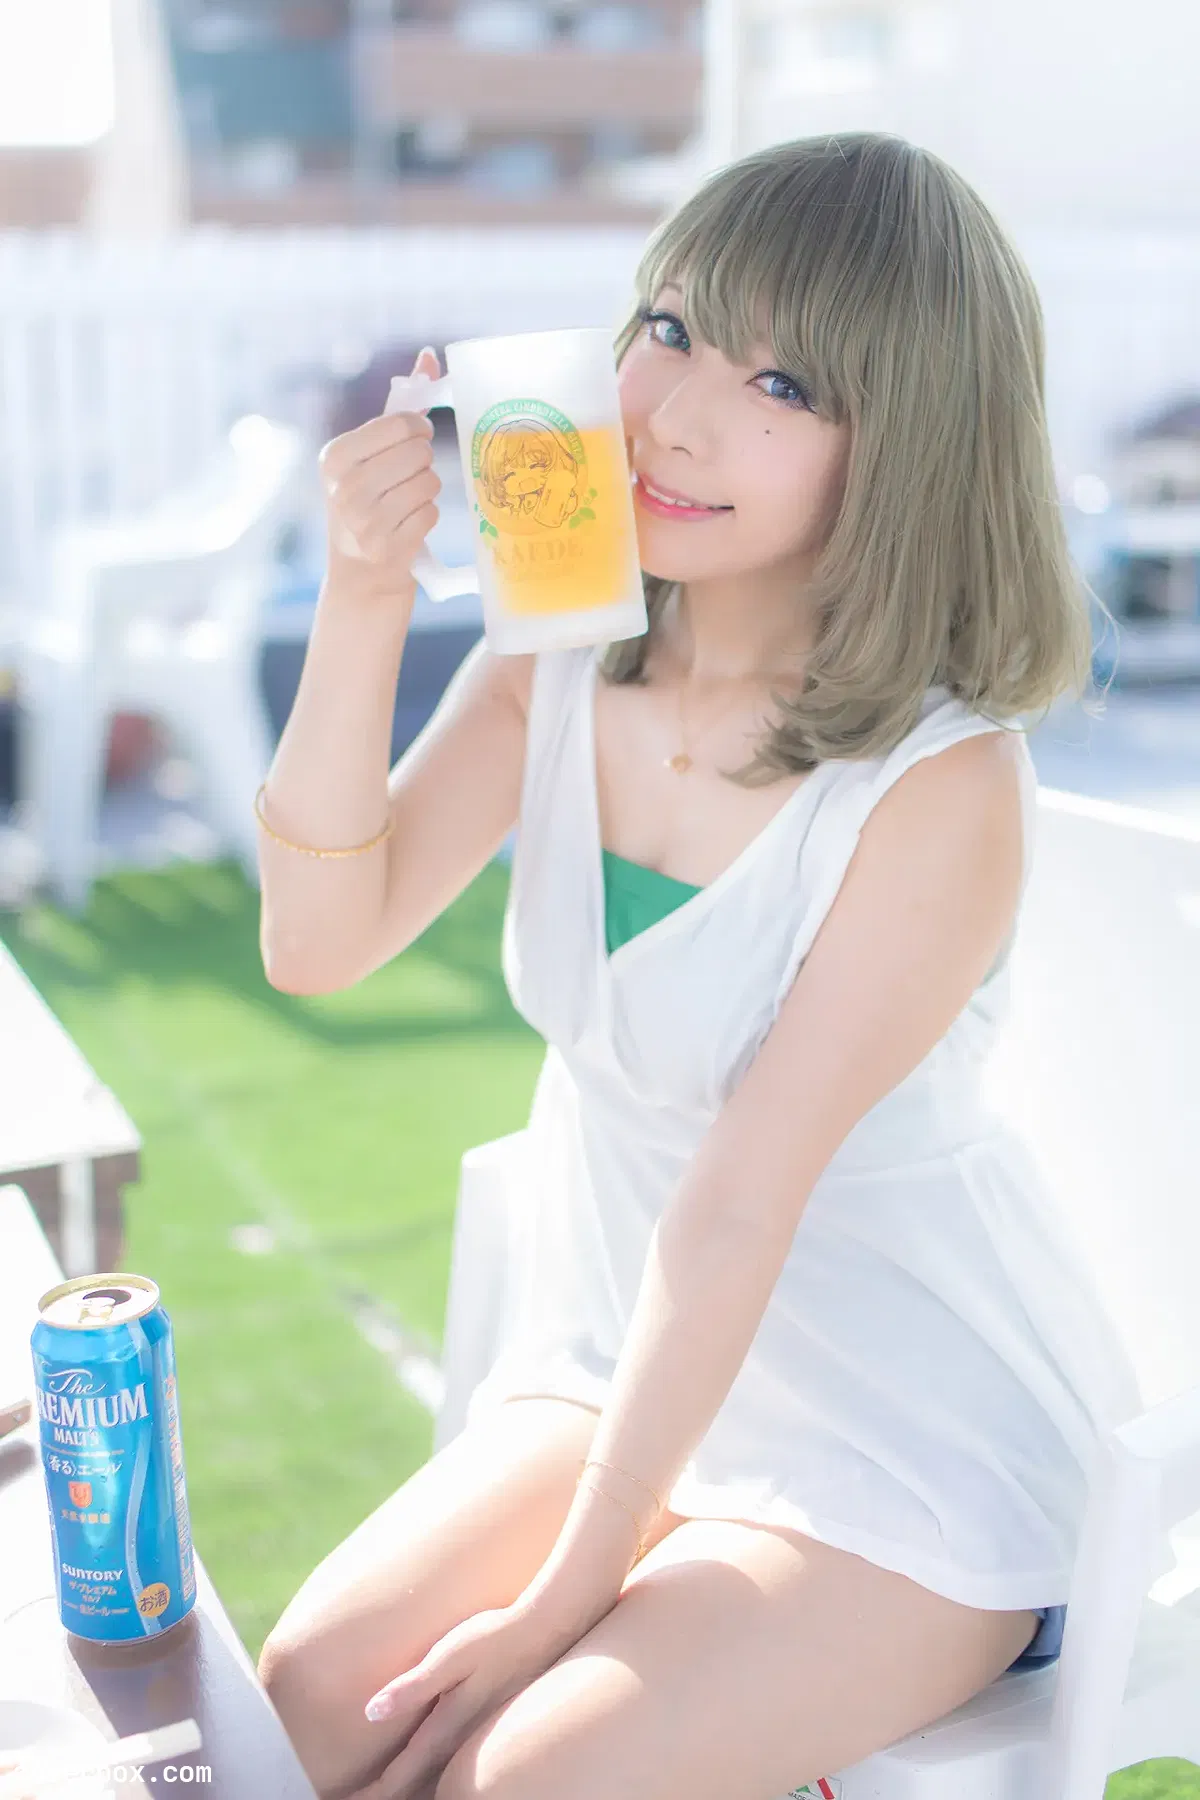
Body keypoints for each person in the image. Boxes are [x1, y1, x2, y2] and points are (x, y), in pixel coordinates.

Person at [252, 133, 1143, 1800]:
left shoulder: (938, 783)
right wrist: (365, 600)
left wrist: (570, 1597)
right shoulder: (561, 651)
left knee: (525, 1776)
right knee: (302, 1709)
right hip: (617, 1372)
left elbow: (738, 1205)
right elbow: (316, 943)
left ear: (904, 449)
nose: (675, 414)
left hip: (902, 1440)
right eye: (670, 327)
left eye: (782, 383)